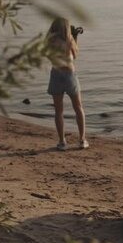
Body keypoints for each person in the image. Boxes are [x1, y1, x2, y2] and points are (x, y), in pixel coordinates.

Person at [46, 17, 88, 151]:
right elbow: (75, 55)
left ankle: (62, 141)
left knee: (58, 111)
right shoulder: (69, 41)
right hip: (69, 75)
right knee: (78, 108)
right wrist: (75, 37)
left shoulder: (49, 41)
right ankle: (82, 140)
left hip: (56, 74)